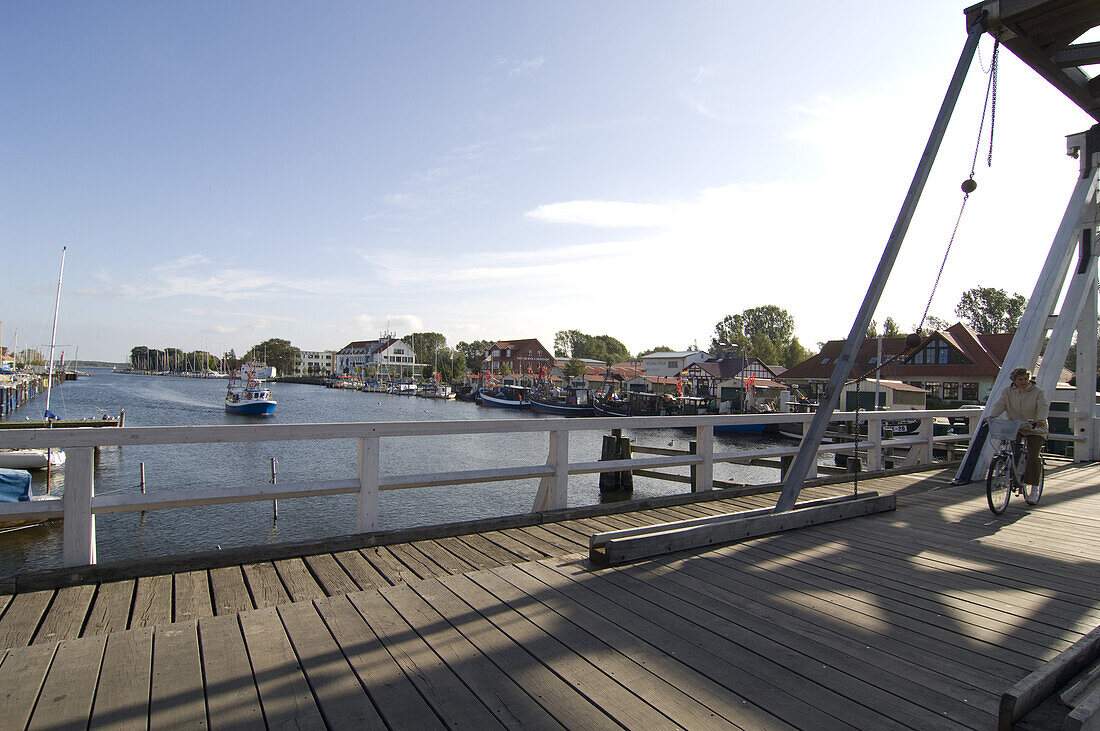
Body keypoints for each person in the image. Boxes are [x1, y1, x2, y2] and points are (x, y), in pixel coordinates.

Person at [986, 366, 1048, 485]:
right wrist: (991, 417)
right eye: (1020, 379)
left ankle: (1033, 486)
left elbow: (1043, 406)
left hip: (1035, 428)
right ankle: (1011, 475)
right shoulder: (1007, 392)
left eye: (1026, 379)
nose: (1024, 382)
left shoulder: (1038, 392)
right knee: (1011, 451)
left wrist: (1040, 419)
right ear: (1014, 380)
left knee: (1033, 456)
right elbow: (1000, 405)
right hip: (1016, 427)